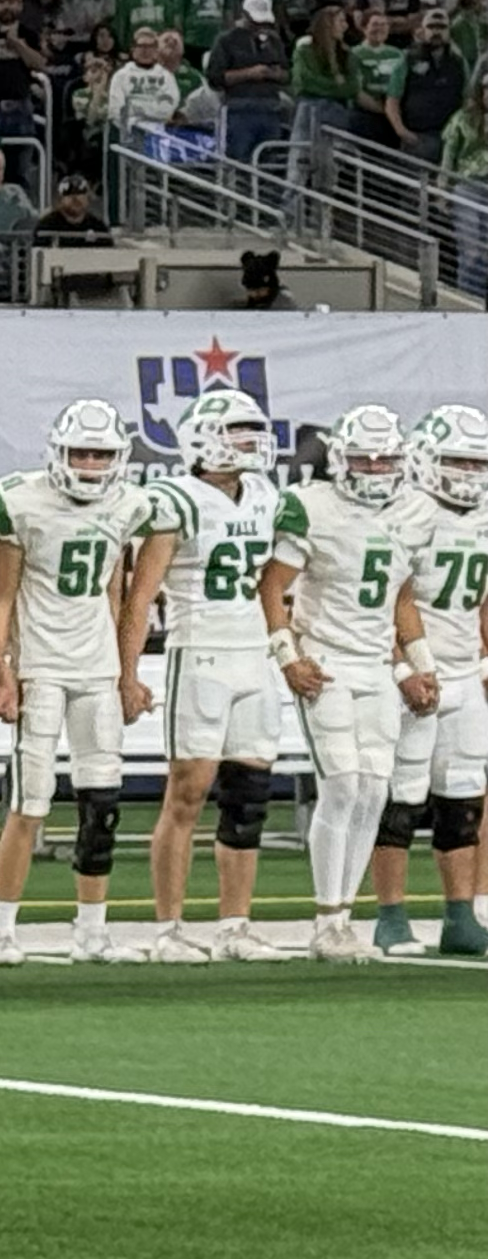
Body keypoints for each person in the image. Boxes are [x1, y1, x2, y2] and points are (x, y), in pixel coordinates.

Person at [258, 404, 432, 960]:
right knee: (342, 785)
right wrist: (288, 655)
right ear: (340, 459)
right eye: (365, 459)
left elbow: (400, 597)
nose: (377, 469)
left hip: (377, 666)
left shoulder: (415, 511)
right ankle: (325, 917)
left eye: (386, 460)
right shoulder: (313, 507)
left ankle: (344, 919)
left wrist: (418, 662)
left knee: (375, 791)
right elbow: (272, 585)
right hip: (326, 659)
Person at [0, 401, 148, 965]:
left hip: (96, 668)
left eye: (102, 453)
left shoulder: (127, 505)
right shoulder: (22, 502)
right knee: (30, 803)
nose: (93, 464)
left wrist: (127, 674)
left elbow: (118, 596)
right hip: (42, 667)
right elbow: (3, 597)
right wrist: (2, 674)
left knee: (103, 807)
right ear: (58, 453)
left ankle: (91, 931)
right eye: (82, 452)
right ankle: (1, 930)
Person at [120, 383, 285, 959]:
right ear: (203, 440)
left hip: (253, 654)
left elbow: (274, 582)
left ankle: (235, 926)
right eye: (236, 433)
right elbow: (140, 597)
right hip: (200, 652)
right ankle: (168, 928)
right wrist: (129, 673)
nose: (248, 444)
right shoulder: (176, 499)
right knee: (187, 792)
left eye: (251, 433)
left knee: (250, 796)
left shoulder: (266, 495)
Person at [379, 405, 488, 952]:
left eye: (477, 462)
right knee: (400, 801)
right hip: (415, 677)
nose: (468, 473)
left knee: (463, 802)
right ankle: (391, 915)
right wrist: (401, 667)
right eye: (456, 460)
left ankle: (460, 916)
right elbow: (378, 601)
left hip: (467, 673)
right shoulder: (404, 514)